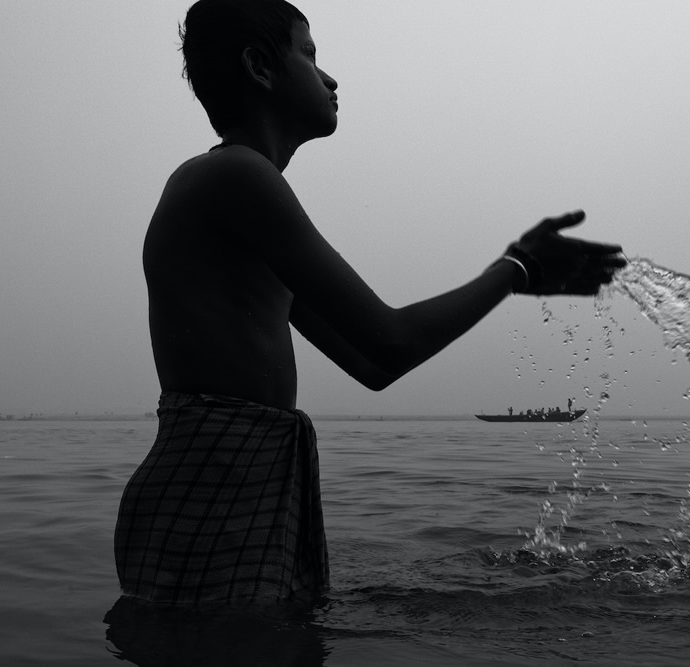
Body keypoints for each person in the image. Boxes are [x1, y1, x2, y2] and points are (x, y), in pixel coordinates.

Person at [113, 0, 626, 607]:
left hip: (240, 480)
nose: (330, 78)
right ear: (259, 67)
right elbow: (391, 338)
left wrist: (513, 273)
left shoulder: (242, 194)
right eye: (309, 55)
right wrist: (514, 270)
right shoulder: (235, 179)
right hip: (212, 483)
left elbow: (375, 367)